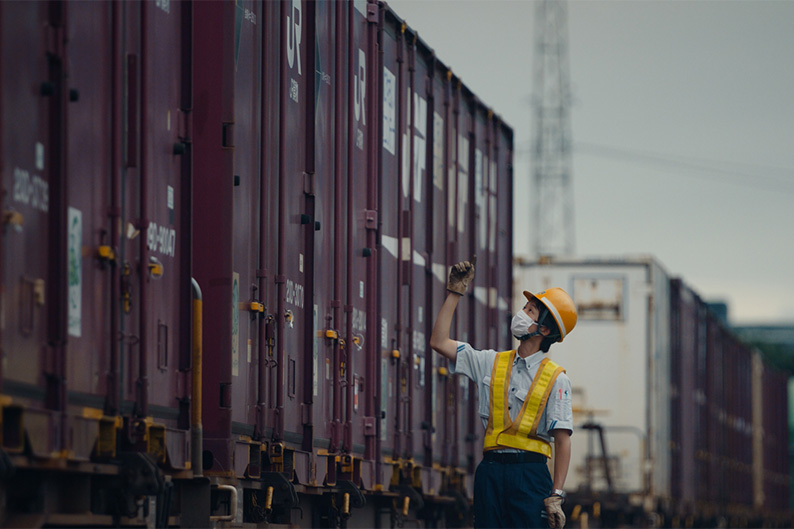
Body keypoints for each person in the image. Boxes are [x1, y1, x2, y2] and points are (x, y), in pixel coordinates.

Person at [429, 256, 577, 529]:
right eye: (525, 307)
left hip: (531, 475)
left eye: (530, 311)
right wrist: (454, 293)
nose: (521, 313)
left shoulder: (556, 379)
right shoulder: (491, 361)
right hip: (491, 472)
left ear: (544, 329)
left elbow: (562, 439)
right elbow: (438, 341)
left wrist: (556, 495)